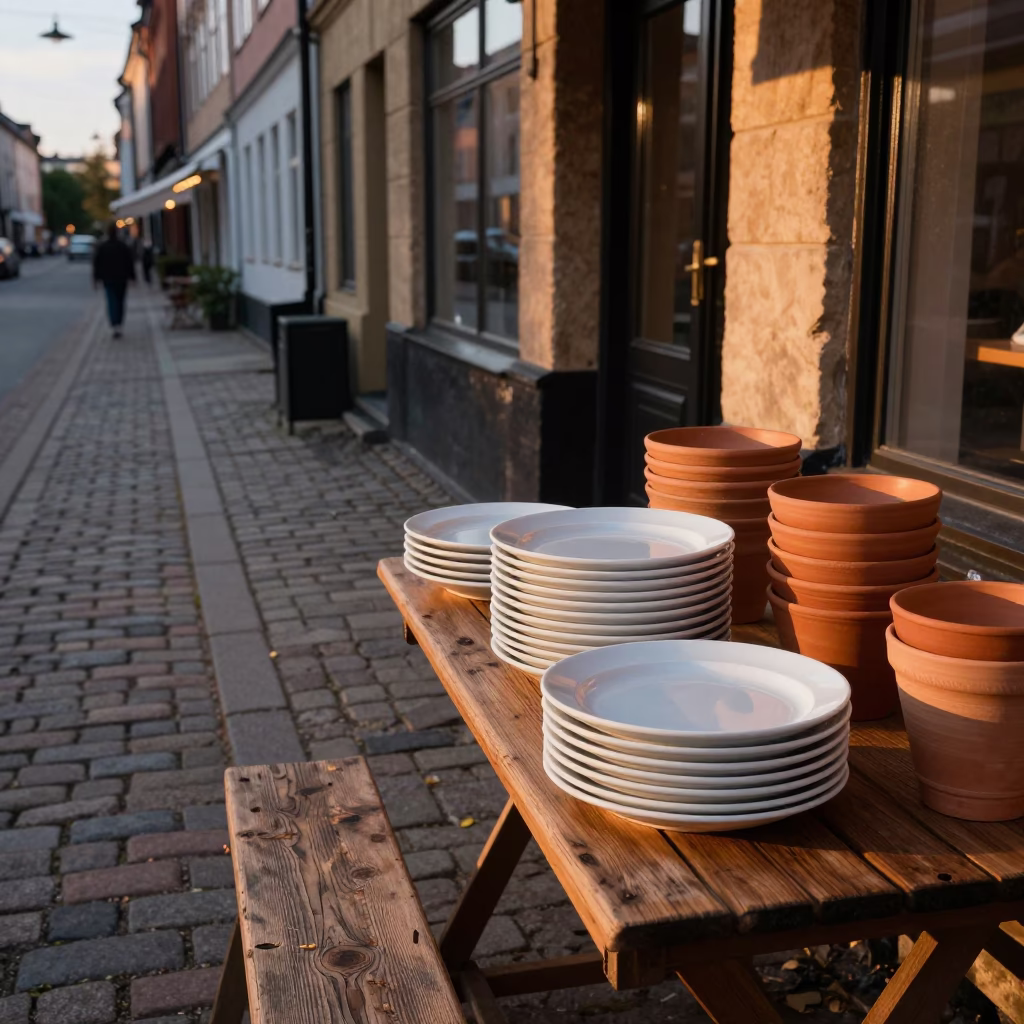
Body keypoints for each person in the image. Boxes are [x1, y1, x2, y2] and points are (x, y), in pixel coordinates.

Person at [93, 224, 136, 338]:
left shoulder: (103, 247)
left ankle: (114, 324)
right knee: (120, 301)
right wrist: (132, 277)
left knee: (112, 301)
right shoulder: (122, 246)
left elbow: (97, 264)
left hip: (108, 278)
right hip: (121, 278)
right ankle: (119, 323)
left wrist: (96, 279)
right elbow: (129, 262)